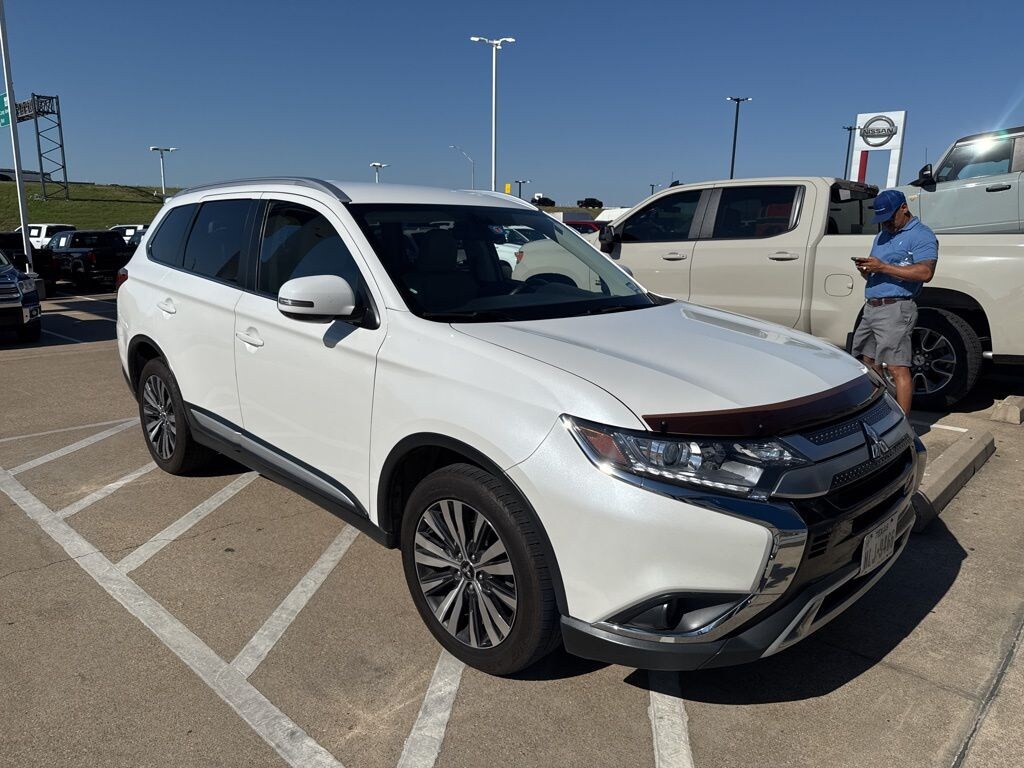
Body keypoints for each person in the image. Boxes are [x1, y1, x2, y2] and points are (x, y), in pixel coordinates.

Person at [851, 189, 938, 414]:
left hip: (896, 308)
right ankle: (882, 410)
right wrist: (868, 270)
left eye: (889, 218)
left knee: (897, 366)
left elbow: (925, 272)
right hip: (871, 307)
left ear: (904, 208)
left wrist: (882, 267)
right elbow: (879, 271)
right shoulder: (882, 236)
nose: (886, 224)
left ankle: (903, 424)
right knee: (866, 362)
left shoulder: (921, 235)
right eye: (881, 220)